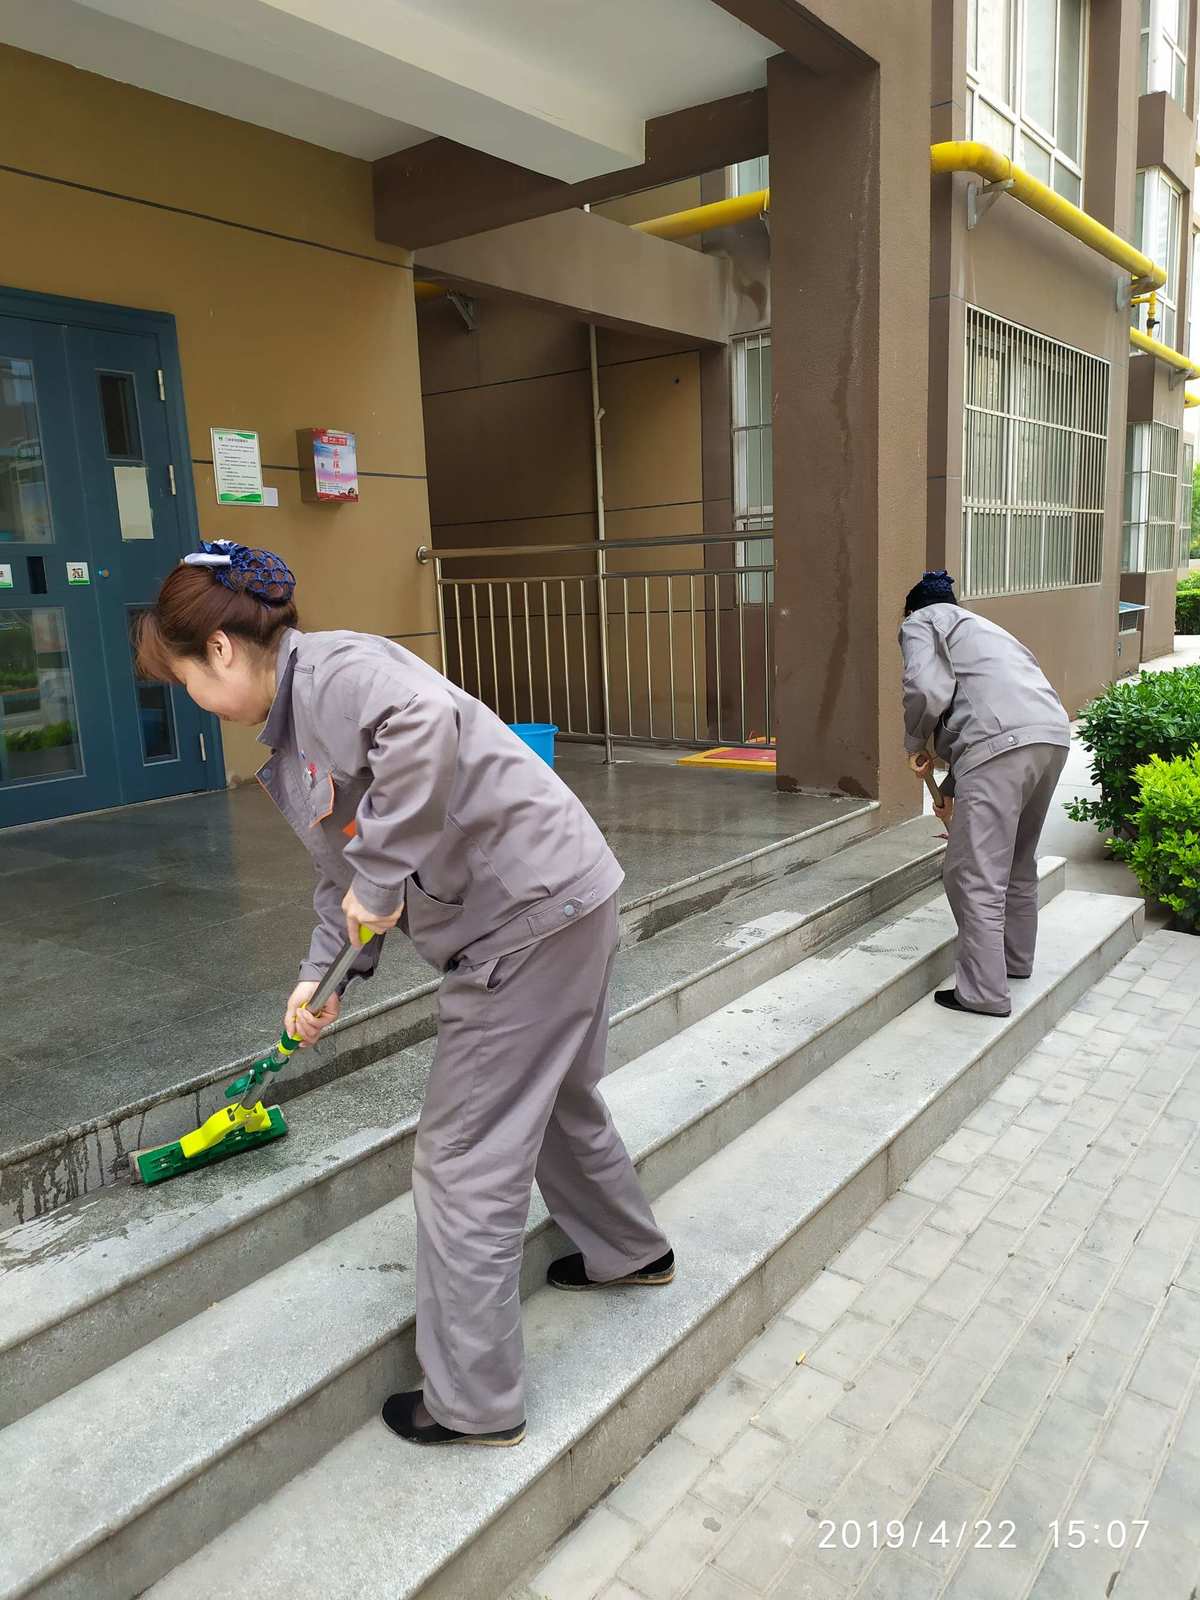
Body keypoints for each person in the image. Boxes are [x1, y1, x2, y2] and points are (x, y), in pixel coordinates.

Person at [137, 540, 673, 1448]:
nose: (193, 700)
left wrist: (379, 885)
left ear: (220, 652)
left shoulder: (336, 671)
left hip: (526, 922)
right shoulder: (295, 727)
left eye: (185, 678)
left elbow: (422, 732)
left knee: (461, 1160)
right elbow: (344, 871)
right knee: (556, 1097)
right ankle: (629, 1251)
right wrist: (322, 973)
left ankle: (472, 1404)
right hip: (563, 895)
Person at [899, 570, 1071, 1018]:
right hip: (1050, 738)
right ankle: (1015, 962)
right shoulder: (986, 630)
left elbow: (925, 689)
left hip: (999, 746)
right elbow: (983, 702)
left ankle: (982, 993)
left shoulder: (921, 622)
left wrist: (915, 743)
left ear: (911, 610)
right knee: (1016, 859)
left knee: (972, 873)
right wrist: (953, 786)